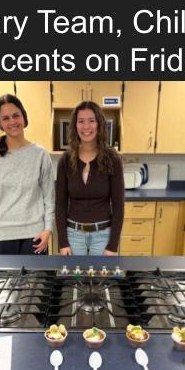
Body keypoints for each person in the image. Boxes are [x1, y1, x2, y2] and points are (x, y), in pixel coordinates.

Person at [0, 94, 55, 255]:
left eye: (16, 115)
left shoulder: (40, 155)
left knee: (36, 280)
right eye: (5, 118)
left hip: (35, 236)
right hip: (0, 236)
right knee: (4, 280)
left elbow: (49, 197)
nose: (12, 122)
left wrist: (48, 229)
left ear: (24, 117)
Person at [55, 101, 125, 256]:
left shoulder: (112, 158)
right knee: (75, 280)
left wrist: (113, 245)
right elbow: (60, 205)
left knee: (100, 280)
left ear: (99, 124)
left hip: (103, 236)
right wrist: (63, 242)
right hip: (73, 235)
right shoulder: (65, 160)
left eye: (91, 120)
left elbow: (119, 206)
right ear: (75, 126)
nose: (86, 127)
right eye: (81, 121)